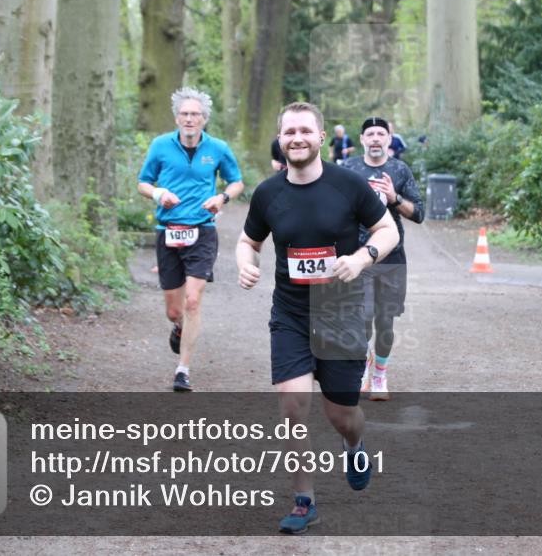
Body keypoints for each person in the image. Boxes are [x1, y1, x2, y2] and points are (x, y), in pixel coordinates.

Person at [236, 101, 398, 534]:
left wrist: (362, 258)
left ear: (321, 137)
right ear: (281, 137)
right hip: (290, 314)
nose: (297, 138)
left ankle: (355, 442)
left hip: (341, 314)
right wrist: (245, 262)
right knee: (293, 406)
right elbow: (247, 240)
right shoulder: (269, 193)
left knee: (341, 414)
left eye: (305, 131)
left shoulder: (348, 185)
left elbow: (389, 230)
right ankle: (304, 500)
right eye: (289, 131)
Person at [138, 87, 244, 392]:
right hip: (167, 231)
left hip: (202, 231)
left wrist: (221, 198)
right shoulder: (160, 146)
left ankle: (183, 369)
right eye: (184, 114)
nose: (189, 118)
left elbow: (236, 182)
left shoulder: (218, 148)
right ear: (176, 118)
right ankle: (179, 327)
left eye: (195, 114)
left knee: (193, 300)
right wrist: (159, 193)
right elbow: (143, 182)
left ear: (204, 118)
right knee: (174, 310)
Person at [343, 117, 424, 400]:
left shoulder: (400, 170)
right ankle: (365, 365)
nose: (375, 138)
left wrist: (394, 198)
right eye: (370, 134)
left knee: (385, 321)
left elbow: (419, 214)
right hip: (358, 254)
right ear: (362, 139)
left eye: (381, 134)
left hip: (392, 257)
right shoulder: (349, 168)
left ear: (389, 139)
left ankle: (380, 374)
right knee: (363, 317)